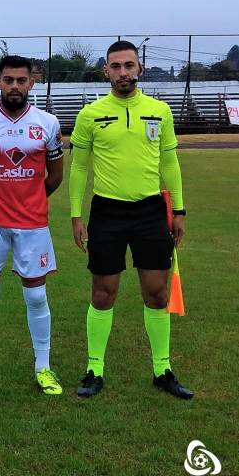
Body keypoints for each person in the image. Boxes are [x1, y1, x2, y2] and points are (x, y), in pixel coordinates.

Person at [69, 40, 193, 399]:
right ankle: (95, 369)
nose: (123, 72)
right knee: (103, 293)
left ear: (139, 68)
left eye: (129, 65)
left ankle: (162, 369)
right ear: (105, 71)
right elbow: (79, 167)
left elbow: (170, 164)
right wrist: (76, 215)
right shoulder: (90, 114)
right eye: (115, 66)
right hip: (106, 212)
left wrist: (179, 210)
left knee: (157, 293)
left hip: (150, 212)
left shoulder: (159, 110)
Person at [0, 55, 64, 395]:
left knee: (36, 296)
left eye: (21, 80)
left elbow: (55, 175)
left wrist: (29, 199)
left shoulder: (48, 123)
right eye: (9, 80)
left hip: (33, 225)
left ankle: (43, 367)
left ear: (32, 82)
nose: (15, 86)